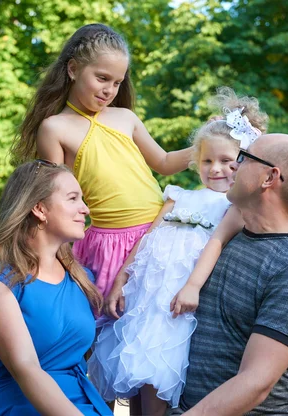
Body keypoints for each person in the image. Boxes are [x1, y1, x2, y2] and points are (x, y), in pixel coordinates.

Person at [88, 88, 269, 416]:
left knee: (157, 372)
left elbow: (215, 248)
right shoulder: (177, 196)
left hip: (176, 304)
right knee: (133, 368)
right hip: (143, 300)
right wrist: (120, 281)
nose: (215, 169)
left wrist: (192, 287)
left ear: (243, 162)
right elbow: (146, 240)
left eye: (227, 161)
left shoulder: (235, 207)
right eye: (207, 160)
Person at [12, 23, 192, 305]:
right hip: (110, 244)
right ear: (73, 70)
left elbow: (165, 162)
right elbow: (56, 200)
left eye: (117, 82)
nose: (109, 89)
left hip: (159, 231)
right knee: (111, 327)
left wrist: (208, 144)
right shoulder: (54, 128)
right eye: (102, 78)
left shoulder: (125, 117)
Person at [174, 133, 288, 416]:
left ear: (269, 178)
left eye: (244, 158)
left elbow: (255, 382)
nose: (233, 165)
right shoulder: (218, 241)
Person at [0, 160, 112, 416]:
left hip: (81, 404)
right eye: (73, 198)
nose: (85, 209)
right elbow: (27, 369)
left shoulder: (81, 279)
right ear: (39, 208)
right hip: (16, 407)